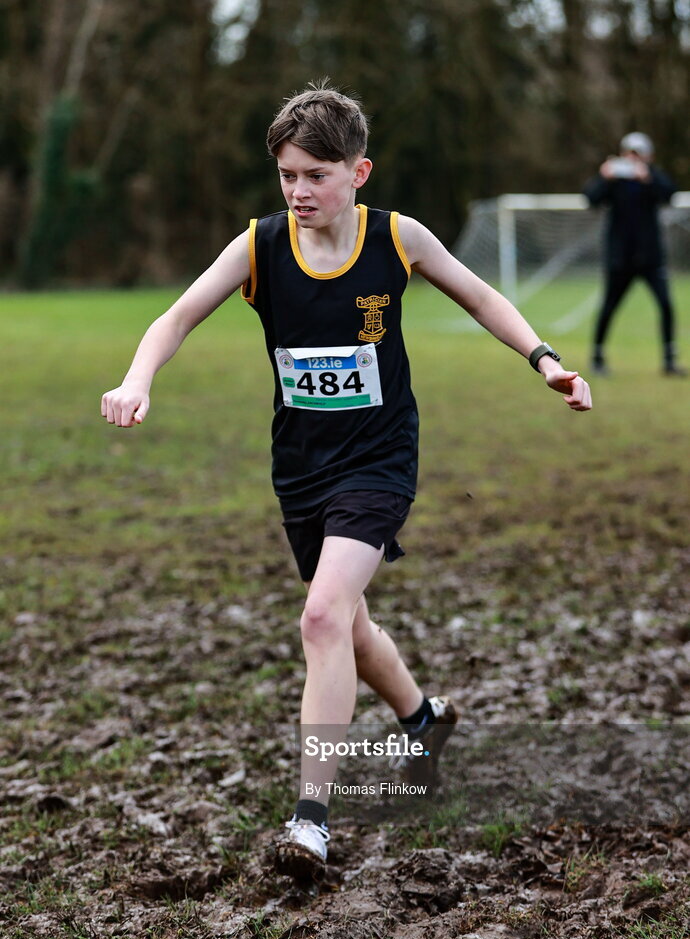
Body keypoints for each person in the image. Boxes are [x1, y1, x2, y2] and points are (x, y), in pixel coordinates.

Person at [101, 83, 592, 883]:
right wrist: (137, 379)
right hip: (300, 468)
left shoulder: (397, 238)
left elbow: (480, 295)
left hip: (380, 458)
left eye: (316, 175)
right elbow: (177, 316)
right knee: (352, 630)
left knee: (323, 618)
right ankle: (423, 720)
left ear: (358, 172)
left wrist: (544, 360)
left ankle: (312, 823)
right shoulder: (259, 246)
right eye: (288, 175)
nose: (298, 191)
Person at [583, 131, 683, 376]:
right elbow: (590, 198)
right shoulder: (614, 181)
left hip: (650, 258)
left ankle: (669, 361)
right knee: (609, 307)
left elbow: (670, 193)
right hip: (620, 258)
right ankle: (597, 357)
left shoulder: (652, 178)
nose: (632, 159)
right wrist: (604, 177)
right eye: (629, 153)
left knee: (666, 305)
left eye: (638, 154)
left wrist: (648, 178)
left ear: (648, 156)